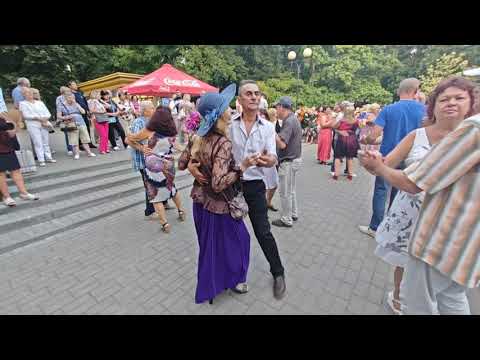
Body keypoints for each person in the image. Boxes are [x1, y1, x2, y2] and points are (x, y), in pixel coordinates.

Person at [359, 77, 480, 315]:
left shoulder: (470, 134)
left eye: (459, 98)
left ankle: (402, 299)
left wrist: (382, 169)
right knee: (409, 273)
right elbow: (388, 163)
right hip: (413, 215)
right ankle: (397, 299)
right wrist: (375, 163)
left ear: (472, 103)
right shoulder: (419, 134)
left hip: (444, 229)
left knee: (435, 297)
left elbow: (412, 181)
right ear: (432, 106)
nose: (451, 103)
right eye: (444, 99)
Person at [187, 80, 287, 300]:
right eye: (248, 94)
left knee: (262, 231)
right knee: (231, 238)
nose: (253, 97)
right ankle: (230, 278)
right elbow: (199, 149)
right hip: (227, 189)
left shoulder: (268, 127)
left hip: (253, 186)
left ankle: (278, 273)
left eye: (257, 93)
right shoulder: (226, 124)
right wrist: (193, 169)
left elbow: (273, 157)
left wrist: (268, 160)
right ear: (239, 100)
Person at [178, 84, 256, 304]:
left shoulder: (196, 137)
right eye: (226, 107)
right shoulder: (223, 143)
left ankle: (213, 286)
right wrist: (242, 167)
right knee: (241, 241)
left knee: (210, 248)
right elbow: (219, 183)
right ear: (219, 114)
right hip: (219, 205)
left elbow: (182, 163)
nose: (230, 109)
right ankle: (236, 281)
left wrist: (194, 166)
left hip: (199, 203)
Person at [358, 78, 426, 238]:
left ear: (398, 91)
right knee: (400, 190)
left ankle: (375, 227)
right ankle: (392, 225)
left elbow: (374, 135)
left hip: (389, 157)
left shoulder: (389, 109)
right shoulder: (424, 111)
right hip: (412, 158)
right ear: (416, 91)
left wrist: (366, 140)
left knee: (381, 190)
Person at [126, 106, 186, 233]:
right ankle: (181, 211)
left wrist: (140, 147)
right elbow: (178, 146)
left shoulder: (149, 131)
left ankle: (165, 224)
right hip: (168, 165)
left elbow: (129, 139)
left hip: (153, 166)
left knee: (155, 194)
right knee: (172, 188)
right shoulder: (171, 132)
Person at [271, 96, 303, 228]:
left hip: (288, 161)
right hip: (294, 159)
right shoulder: (292, 119)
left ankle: (286, 218)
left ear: (281, 107)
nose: (275, 110)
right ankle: (293, 213)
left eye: (276, 107)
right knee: (291, 190)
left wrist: (271, 132)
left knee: (285, 192)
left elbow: (282, 144)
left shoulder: (289, 121)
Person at [0, 113, 39, 206]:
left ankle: (24, 193)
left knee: (16, 171)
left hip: (8, 146)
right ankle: (6, 197)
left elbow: (14, 127)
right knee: (1, 174)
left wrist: (11, 126)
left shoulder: (2, 116)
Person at [128, 100, 157, 219]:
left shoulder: (152, 121)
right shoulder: (138, 122)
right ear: (145, 111)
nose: (154, 109)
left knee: (156, 181)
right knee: (149, 184)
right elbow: (129, 140)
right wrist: (141, 148)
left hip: (154, 158)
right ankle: (149, 211)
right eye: (151, 107)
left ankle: (162, 203)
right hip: (143, 159)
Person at [18, 88, 56, 167]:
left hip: (44, 123)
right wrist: (38, 118)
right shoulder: (22, 103)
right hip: (33, 124)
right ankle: (41, 159)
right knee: (37, 142)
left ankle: (48, 157)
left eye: (30, 92)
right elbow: (25, 115)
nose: (29, 94)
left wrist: (45, 118)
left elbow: (47, 113)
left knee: (45, 141)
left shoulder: (40, 102)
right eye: (27, 93)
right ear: (24, 95)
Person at [57, 93, 96, 160]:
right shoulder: (61, 105)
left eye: (73, 98)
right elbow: (59, 116)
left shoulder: (76, 103)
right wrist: (67, 117)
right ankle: (77, 154)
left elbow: (83, 112)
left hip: (81, 122)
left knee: (85, 138)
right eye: (70, 98)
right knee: (74, 140)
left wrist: (76, 104)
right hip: (71, 123)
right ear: (66, 98)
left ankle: (89, 152)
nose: (72, 99)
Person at [330, 105, 359, 180]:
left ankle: (336, 175)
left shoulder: (341, 120)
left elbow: (334, 127)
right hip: (352, 139)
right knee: (350, 157)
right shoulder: (356, 121)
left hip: (342, 139)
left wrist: (339, 131)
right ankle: (350, 175)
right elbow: (357, 129)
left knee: (337, 157)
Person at [68, 80, 96, 149]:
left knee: (87, 127)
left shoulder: (79, 93)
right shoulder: (71, 95)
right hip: (78, 114)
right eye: (73, 84)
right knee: (80, 129)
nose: (75, 85)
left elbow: (85, 102)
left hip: (85, 112)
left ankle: (89, 143)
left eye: (75, 84)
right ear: (70, 86)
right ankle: (81, 144)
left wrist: (88, 110)